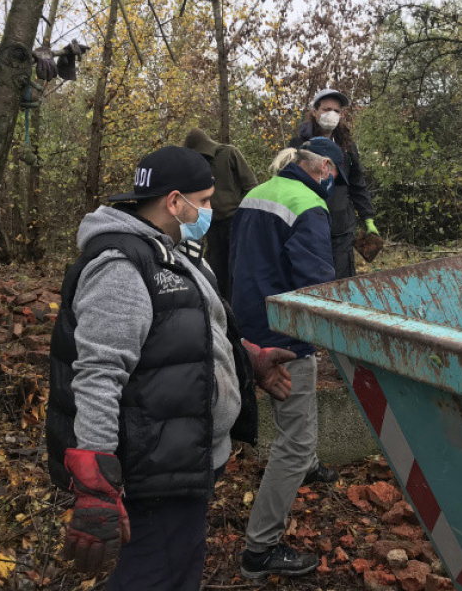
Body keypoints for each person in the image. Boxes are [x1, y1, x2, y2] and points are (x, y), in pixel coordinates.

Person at [46, 146, 296, 590]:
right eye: (203, 201)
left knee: (177, 565)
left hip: (184, 453)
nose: (208, 211)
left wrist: (249, 359)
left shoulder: (174, 252)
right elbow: (99, 374)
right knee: (155, 575)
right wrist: (96, 484)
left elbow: (197, 328)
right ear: (174, 201)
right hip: (154, 465)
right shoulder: (121, 266)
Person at [229, 137, 349, 579]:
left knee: (298, 431)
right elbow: (316, 285)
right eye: (336, 175)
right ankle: (259, 550)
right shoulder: (309, 206)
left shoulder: (256, 193)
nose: (336, 184)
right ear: (324, 167)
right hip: (283, 338)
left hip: (247, 329)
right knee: (294, 441)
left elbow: (237, 262)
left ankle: (310, 464)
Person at [290, 88, 379, 279]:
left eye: (336, 111)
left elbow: (357, 183)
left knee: (342, 279)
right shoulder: (298, 145)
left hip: (342, 226)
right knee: (314, 278)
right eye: (326, 109)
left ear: (342, 114)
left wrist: (368, 217)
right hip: (309, 223)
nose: (331, 114)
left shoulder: (346, 146)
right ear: (314, 112)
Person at [184, 128, 259, 301]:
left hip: (235, 220)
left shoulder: (229, 153)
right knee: (217, 271)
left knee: (238, 269)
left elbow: (251, 185)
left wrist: (246, 216)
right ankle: (222, 309)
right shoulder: (195, 165)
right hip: (212, 224)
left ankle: (238, 310)